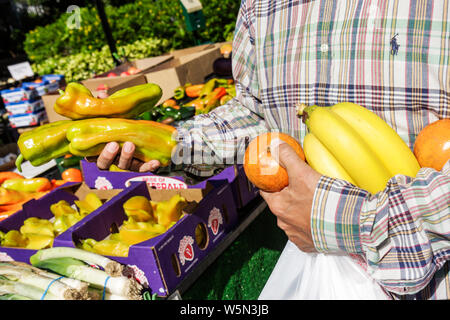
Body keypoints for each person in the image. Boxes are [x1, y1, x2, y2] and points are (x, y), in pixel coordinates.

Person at [96, 0, 449, 299]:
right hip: (316, 271)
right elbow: (257, 112)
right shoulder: (260, 4)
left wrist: (346, 220)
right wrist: (175, 146)